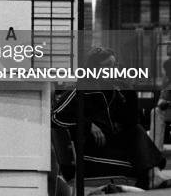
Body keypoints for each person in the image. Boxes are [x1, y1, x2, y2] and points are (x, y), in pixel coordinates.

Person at [52, 46, 170, 189]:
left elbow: (131, 121)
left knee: (135, 130)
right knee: (137, 154)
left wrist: (128, 90)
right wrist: (88, 124)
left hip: (109, 141)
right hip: (88, 147)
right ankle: (153, 175)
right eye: (108, 66)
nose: (113, 69)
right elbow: (54, 117)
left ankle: (153, 174)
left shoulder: (112, 89)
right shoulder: (79, 89)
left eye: (115, 65)